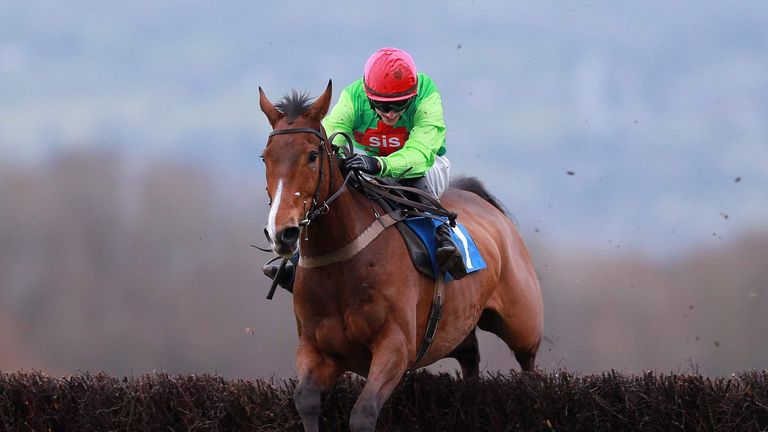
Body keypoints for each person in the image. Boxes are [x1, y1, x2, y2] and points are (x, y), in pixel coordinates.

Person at [263, 47, 466, 290]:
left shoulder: (427, 94)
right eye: (381, 105)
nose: (390, 113)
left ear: (412, 95)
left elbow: (420, 154)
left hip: (426, 166)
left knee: (415, 181)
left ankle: (442, 236)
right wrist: (338, 158)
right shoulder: (354, 97)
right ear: (368, 96)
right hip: (373, 162)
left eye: (400, 104)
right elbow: (331, 134)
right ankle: (296, 261)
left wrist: (379, 164)